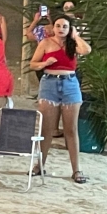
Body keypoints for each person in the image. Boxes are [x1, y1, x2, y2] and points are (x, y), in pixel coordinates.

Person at [29, 14, 91, 183]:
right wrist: (45, 64)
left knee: (71, 129)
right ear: (53, 27)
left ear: (70, 28)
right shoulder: (45, 43)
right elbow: (33, 64)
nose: (61, 29)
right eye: (58, 26)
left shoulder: (73, 43)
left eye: (65, 26)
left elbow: (86, 50)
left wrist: (75, 36)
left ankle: (76, 170)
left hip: (70, 83)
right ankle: (39, 165)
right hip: (49, 83)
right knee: (46, 129)